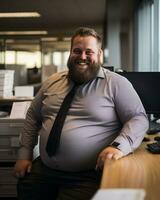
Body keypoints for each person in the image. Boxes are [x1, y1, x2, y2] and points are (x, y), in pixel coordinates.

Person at [14, 27, 149, 200]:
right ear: (70, 52)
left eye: (89, 52)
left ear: (99, 54)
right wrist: (24, 155)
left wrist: (118, 147)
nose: (82, 56)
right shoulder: (52, 82)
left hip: (87, 175)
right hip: (44, 169)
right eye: (77, 51)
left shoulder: (116, 83)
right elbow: (33, 116)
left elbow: (138, 118)